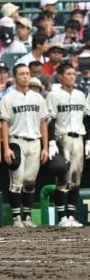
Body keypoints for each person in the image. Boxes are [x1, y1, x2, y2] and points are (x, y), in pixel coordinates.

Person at [0, 64, 49, 228]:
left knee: (30, 182)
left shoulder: (38, 98)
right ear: (15, 78)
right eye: (21, 74)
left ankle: (27, 217)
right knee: (16, 181)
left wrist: (45, 147)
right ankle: (16, 218)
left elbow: (43, 123)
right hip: (17, 141)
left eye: (27, 73)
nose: (26, 76)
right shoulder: (8, 98)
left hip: (35, 141)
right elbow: (4, 124)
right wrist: (6, 147)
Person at [46, 64, 88, 229]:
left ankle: (71, 216)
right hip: (62, 138)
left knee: (76, 179)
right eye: (68, 74)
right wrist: (51, 142)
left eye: (73, 74)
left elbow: (86, 119)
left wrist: (88, 141)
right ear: (60, 76)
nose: (72, 77)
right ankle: (62, 217)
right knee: (63, 178)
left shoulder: (80, 95)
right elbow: (50, 120)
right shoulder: (53, 95)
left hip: (79, 138)